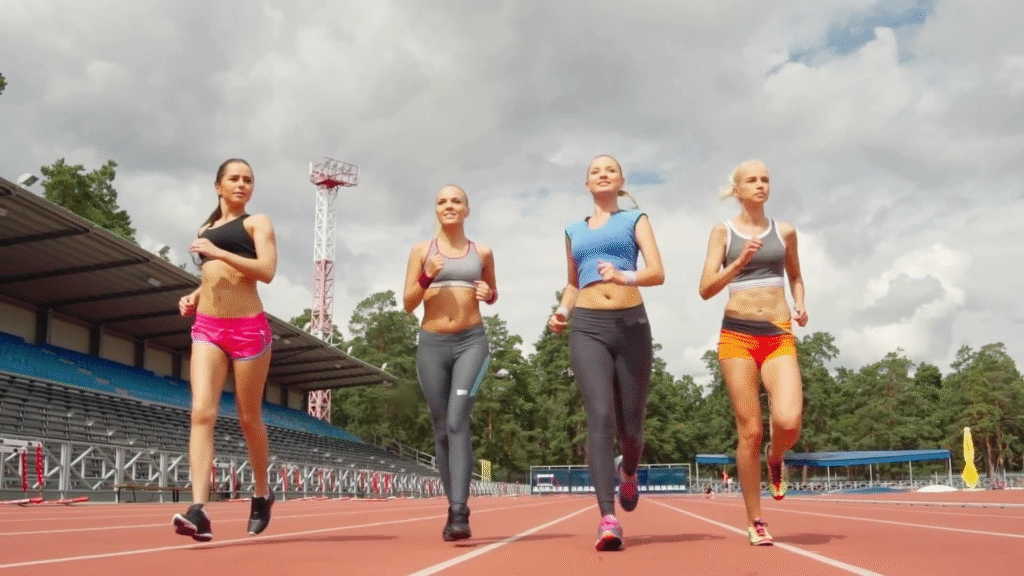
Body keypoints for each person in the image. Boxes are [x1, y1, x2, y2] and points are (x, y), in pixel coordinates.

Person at [548, 155, 665, 551]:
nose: (602, 174)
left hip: (632, 325)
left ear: (620, 181)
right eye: (595, 171)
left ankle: (628, 471)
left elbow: (657, 272)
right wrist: (562, 312)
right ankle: (607, 517)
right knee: (599, 416)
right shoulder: (571, 231)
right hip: (588, 327)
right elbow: (571, 284)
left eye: (610, 170)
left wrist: (623, 274)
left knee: (631, 429)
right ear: (587, 185)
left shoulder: (635, 220)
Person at [698, 160, 807, 546]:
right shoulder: (722, 231)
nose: (760, 184)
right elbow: (706, 287)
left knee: (789, 420)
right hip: (737, 335)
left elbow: (794, 274)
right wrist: (740, 262)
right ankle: (756, 520)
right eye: (752, 180)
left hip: (778, 332)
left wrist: (800, 303)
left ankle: (775, 457)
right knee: (750, 431)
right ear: (738, 190)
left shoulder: (786, 232)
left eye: (765, 179)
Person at [172, 158, 278, 542]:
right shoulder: (206, 227)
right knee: (202, 413)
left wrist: (218, 253)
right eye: (234, 179)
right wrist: (194, 295)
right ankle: (198, 510)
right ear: (218, 185)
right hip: (208, 328)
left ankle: (262, 493)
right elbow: (215, 276)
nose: (241, 184)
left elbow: (266, 270)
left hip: (249, 330)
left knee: (249, 418)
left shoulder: (256, 223)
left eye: (248, 179)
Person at [403, 185, 497, 542]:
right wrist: (427, 274)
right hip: (431, 345)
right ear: (436, 210)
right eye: (442, 201)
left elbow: (492, 292)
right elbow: (408, 302)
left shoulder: (483, 251)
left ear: (467, 209)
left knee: (458, 419)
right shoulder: (421, 251)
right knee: (441, 427)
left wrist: (490, 294)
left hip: (472, 343)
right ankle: (452, 504)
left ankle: (460, 511)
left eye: (456, 200)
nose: (449, 206)